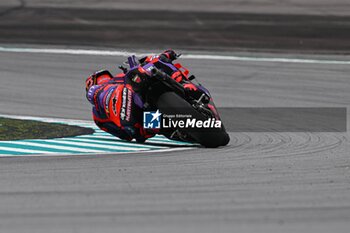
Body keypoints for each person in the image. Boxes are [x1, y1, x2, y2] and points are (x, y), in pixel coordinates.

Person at [85, 49, 194, 142]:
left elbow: (123, 135)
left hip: (140, 118)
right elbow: (122, 134)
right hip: (139, 121)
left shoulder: (119, 78)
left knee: (158, 60)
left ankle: (184, 85)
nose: (104, 80)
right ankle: (180, 130)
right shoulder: (98, 103)